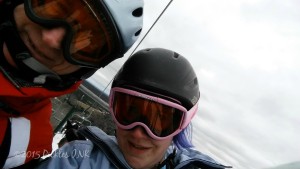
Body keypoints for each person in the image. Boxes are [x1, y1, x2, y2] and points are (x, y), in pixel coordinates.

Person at [0, 0, 144, 168]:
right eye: (53, 8)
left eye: (82, 43)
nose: (50, 39)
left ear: (83, 70)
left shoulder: (21, 147)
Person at [35, 48, 232, 169]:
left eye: (159, 121)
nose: (138, 133)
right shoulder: (77, 159)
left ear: (182, 125)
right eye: (129, 112)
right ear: (113, 106)